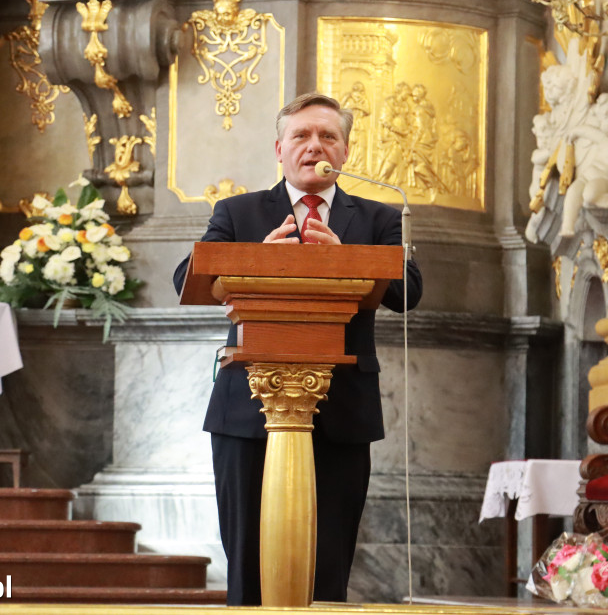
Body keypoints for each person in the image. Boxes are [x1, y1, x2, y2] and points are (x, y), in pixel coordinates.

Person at [173, 92, 422, 605]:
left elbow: (410, 290)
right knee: (247, 556)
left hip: (341, 405)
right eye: (301, 136)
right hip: (246, 407)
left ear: (346, 152)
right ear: (279, 149)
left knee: (327, 559)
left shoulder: (377, 218)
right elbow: (186, 276)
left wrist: (348, 259)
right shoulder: (239, 211)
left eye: (327, 136)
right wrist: (256, 260)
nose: (314, 146)